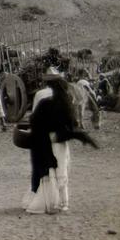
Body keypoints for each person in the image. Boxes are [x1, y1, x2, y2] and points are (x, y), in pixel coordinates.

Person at [26, 74, 98, 214]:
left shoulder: (44, 102)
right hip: (59, 142)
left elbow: (34, 120)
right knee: (62, 169)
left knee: (49, 170)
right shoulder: (66, 103)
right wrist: (84, 138)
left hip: (45, 140)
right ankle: (62, 202)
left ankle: (50, 201)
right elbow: (72, 126)